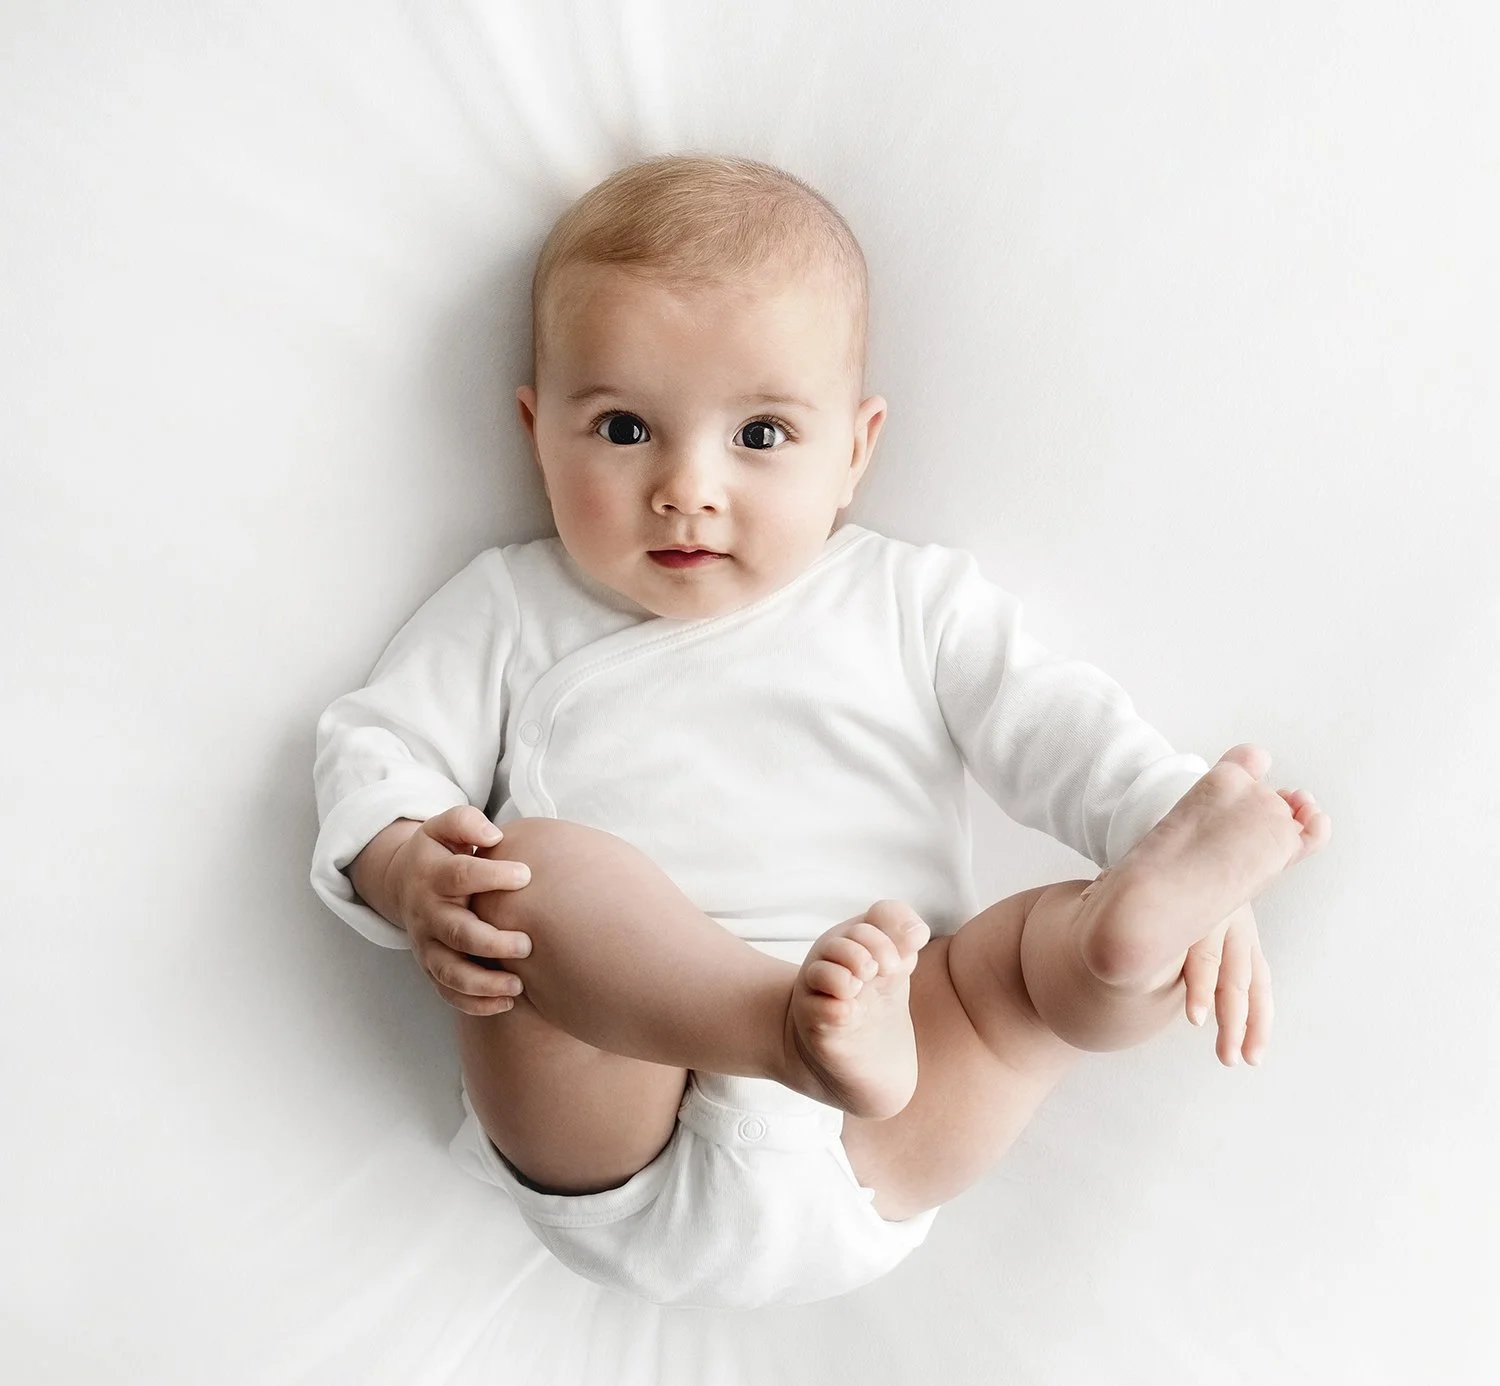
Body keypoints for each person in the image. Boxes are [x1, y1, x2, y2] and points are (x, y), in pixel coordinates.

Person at [310, 153, 1330, 1310]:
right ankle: (773, 1025)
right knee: (525, 881)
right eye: (626, 427)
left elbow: (1060, 729)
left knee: (1021, 977)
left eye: (759, 436)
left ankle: (1128, 939)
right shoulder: (509, 605)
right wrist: (408, 870)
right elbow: (374, 752)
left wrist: (1157, 813)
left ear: (855, 447)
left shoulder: (910, 602)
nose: (688, 487)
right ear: (538, 432)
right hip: (616, 1108)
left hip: (891, 1087)